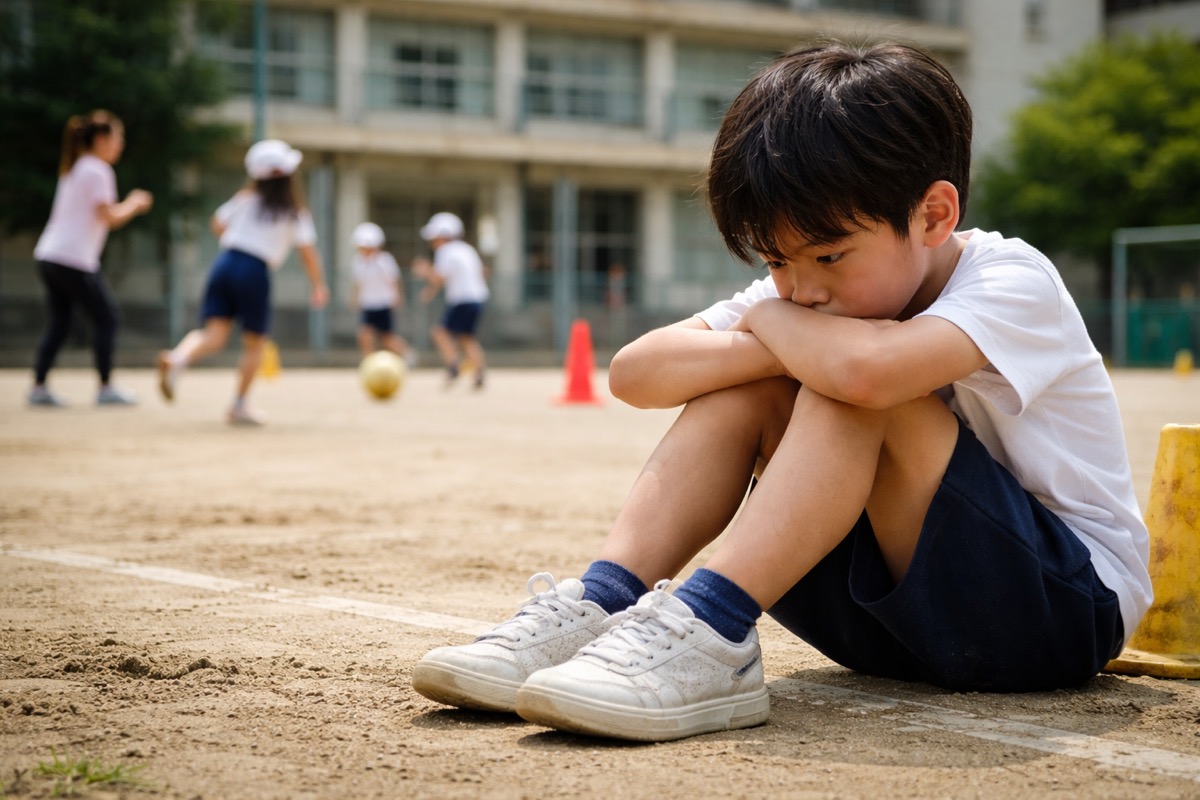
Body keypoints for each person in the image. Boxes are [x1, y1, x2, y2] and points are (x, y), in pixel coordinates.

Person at [412, 40, 1153, 742]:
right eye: (776, 262)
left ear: (933, 215)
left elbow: (867, 373)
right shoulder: (805, 296)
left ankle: (714, 624)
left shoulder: (1012, 279)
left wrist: (765, 323)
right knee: (755, 383)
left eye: (829, 255)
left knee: (840, 380)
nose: (802, 288)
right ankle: (606, 599)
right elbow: (636, 372)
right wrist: (770, 336)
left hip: (1053, 611)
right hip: (889, 626)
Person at [156, 139, 328, 425]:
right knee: (255, 343)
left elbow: (217, 223)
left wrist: (239, 238)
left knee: (213, 333)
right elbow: (308, 254)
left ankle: (177, 359)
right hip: (254, 269)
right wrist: (319, 285)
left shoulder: (245, 200)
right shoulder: (294, 212)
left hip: (225, 262)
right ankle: (238, 405)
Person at [30, 110, 154, 407]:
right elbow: (108, 216)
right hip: (73, 259)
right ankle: (106, 387)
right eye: (117, 138)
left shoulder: (74, 167)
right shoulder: (98, 170)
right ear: (101, 139)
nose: (120, 145)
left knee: (61, 323)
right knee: (107, 318)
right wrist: (134, 204)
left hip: (49, 254)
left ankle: (38, 387)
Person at [412, 212, 489, 389]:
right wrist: (431, 291)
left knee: (440, 332)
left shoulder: (445, 251)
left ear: (443, 236)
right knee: (466, 337)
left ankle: (454, 366)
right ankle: (479, 371)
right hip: (478, 297)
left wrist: (425, 271)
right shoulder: (467, 249)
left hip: (463, 299)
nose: (432, 242)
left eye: (434, 237)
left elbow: (440, 278)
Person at [349, 222, 415, 364]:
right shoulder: (358, 262)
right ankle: (369, 362)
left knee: (388, 338)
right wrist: (354, 298)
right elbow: (358, 283)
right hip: (368, 303)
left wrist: (398, 296)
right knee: (364, 334)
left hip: (383, 303)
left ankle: (407, 355)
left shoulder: (385, 260)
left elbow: (394, 280)